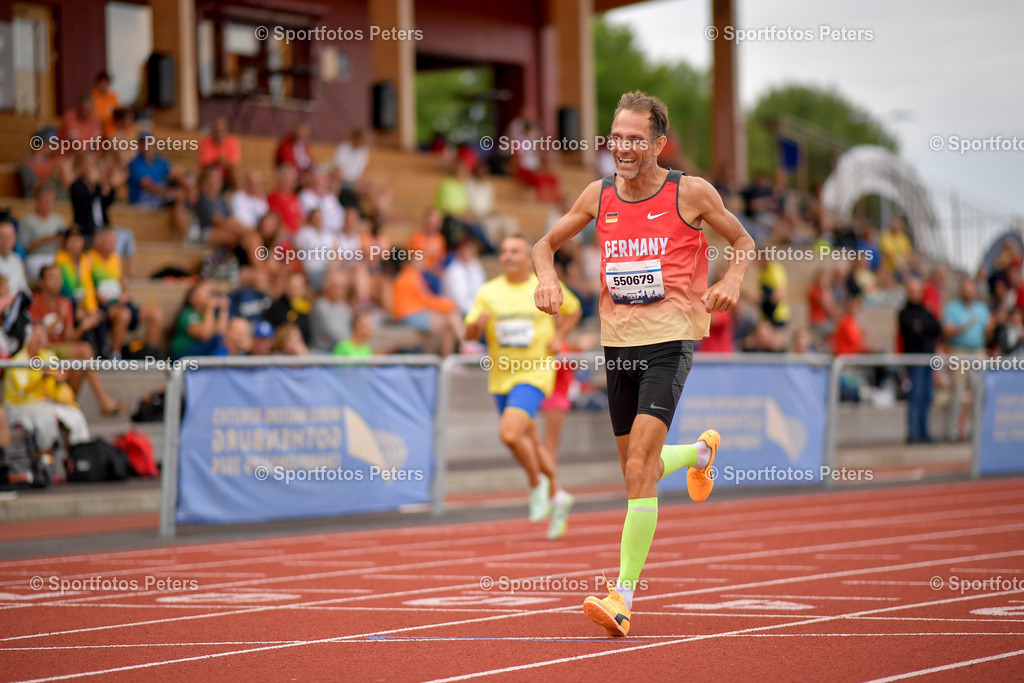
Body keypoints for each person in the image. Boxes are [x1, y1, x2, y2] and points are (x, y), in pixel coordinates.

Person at [532, 91, 753, 636]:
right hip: (618, 346)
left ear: (658, 143)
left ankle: (622, 597)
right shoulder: (598, 194)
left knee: (637, 472)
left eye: (635, 138)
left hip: (670, 341)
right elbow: (544, 244)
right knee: (640, 469)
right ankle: (702, 451)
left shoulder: (691, 192)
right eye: (617, 137)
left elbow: (743, 240)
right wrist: (546, 275)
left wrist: (731, 278)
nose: (623, 147)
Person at [465, 235, 581, 539]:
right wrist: (477, 326)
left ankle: (536, 485)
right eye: (503, 252)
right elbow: (468, 331)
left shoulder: (543, 285)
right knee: (528, 439)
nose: (508, 256)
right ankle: (558, 495)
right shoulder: (489, 291)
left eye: (515, 251)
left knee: (509, 432)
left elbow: (575, 309)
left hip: (535, 371)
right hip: (501, 376)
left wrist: (560, 337)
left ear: (528, 256)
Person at [942, 277, 991, 442]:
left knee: (980, 391)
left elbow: (988, 334)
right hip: (959, 350)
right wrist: (964, 327)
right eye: (965, 287)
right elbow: (947, 332)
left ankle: (975, 429)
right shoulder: (952, 307)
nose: (968, 291)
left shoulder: (982, 309)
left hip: (978, 351)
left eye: (971, 288)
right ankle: (953, 431)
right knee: (958, 390)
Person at [899, 277, 943, 444]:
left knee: (926, 396)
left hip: (928, 360)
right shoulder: (904, 312)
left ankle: (924, 433)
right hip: (915, 360)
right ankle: (913, 434)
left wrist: (922, 327)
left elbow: (936, 328)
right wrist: (925, 329)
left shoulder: (925, 311)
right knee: (915, 396)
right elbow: (913, 333)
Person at [18, 186, 67, 279]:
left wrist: (61, 240)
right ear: (36, 201)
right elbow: (24, 245)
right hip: (35, 257)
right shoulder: (28, 220)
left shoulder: (58, 219)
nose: (48, 203)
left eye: (50, 201)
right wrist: (43, 240)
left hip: (56, 255)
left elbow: (65, 241)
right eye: (44, 200)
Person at [198, 117, 242, 188]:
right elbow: (205, 164)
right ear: (212, 131)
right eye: (216, 130)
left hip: (227, 176)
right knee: (211, 173)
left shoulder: (232, 142)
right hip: (210, 175)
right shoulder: (205, 142)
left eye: (221, 131)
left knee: (235, 172)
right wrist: (217, 162)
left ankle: (236, 194)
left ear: (226, 131)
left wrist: (224, 162)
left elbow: (234, 164)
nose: (219, 134)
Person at [0, 220, 30, 296]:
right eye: (2, 237)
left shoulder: (16, 259)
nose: (6, 241)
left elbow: (24, 289)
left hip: (16, 304)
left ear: (14, 238)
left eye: (9, 237)